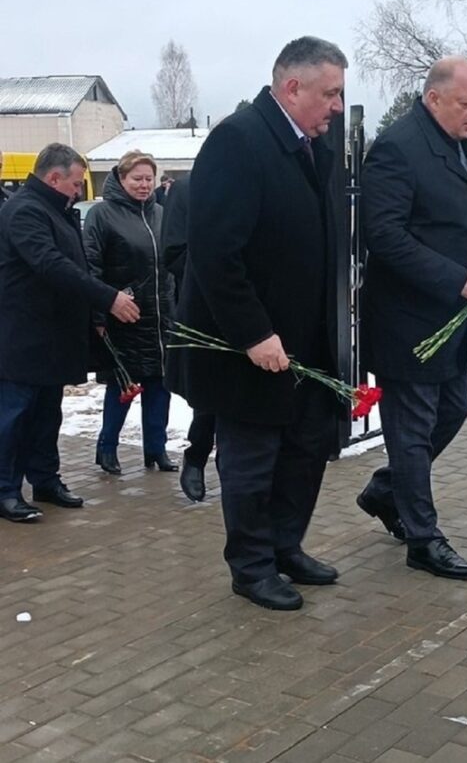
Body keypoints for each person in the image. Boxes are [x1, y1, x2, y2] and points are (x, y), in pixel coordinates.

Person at [168, 36, 348, 611]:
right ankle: (250, 567)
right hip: (251, 347)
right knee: (253, 460)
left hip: (307, 339)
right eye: (330, 93)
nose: (337, 106)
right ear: (292, 87)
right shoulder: (239, 140)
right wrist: (253, 333)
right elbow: (216, 253)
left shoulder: (313, 144)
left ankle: (284, 547)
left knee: (305, 450)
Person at [357, 56, 467, 579]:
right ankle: (423, 539)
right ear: (434, 97)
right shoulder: (397, 148)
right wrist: (457, 278)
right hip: (408, 321)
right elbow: (384, 236)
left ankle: (385, 491)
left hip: (456, 319)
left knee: (454, 410)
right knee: (412, 432)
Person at [0, 143, 140, 522]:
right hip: (22, 337)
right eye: (76, 184)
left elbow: (77, 266)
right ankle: (6, 490)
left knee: (47, 416)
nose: (79, 191)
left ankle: (45, 480)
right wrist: (107, 297)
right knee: (14, 418)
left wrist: (95, 312)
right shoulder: (25, 211)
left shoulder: (56, 210)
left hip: (52, 337)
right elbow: (51, 264)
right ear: (53, 177)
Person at [83, 151, 178, 476]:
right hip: (123, 317)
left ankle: (157, 449)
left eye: (149, 179)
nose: (144, 185)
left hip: (160, 317)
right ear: (121, 179)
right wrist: (100, 313)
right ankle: (107, 448)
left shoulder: (161, 214)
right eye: (137, 178)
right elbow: (91, 265)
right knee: (121, 387)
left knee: (160, 386)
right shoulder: (102, 215)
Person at [160, 174, 215, 502]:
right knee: (208, 397)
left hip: (253, 304)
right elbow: (173, 252)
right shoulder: (186, 189)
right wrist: (218, 270)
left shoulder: (258, 183)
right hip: (202, 306)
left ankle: (231, 465)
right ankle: (196, 456)